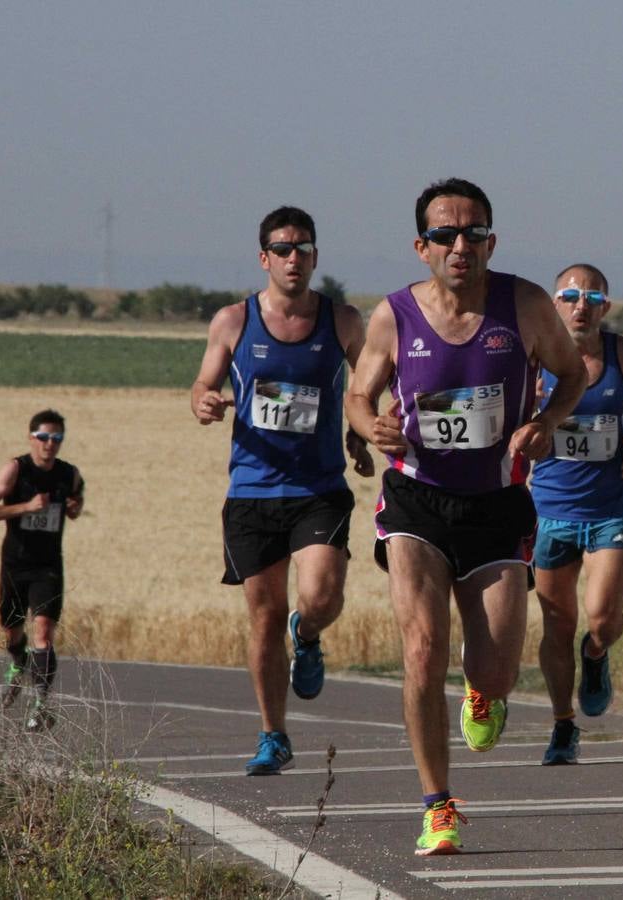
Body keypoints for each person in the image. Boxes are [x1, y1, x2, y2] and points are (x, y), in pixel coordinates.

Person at [344, 178, 585, 855]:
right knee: (422, 649)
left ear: (491, 242)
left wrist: (544, 424)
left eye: (473, 233)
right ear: (422, 247)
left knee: (497, 669)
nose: (460, 245)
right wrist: (372, 429)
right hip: (417, 499)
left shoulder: (528, 306)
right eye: (446, 235)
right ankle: (437, 805)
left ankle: (485, 694)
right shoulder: (394, 316)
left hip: (499, 502)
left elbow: (573, 376)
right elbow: (358, 396)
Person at [191, 205, 374, 776]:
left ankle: (310, 632)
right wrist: (203, 400)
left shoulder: (342, 321)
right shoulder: (233, 321)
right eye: (284, 248)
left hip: (318, 488)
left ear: (316, 256)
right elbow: (203, 382)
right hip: (251, 491)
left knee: (319, 597)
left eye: (305, 248)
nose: (295, 258)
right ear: (264, 257)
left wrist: (361, 433)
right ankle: (273, 734)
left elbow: (368, 385)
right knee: (263, 617)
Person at [530, 264, 623, 765]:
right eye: (571, 296)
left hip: (611, 506)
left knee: (602, 617)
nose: (581, 306)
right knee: (556, 624)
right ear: (555, 303)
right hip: (549, 510)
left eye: (592, 298)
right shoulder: (532, 361)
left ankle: (596, 654)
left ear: (605, 308)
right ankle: (562, 725)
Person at [0, 408, 85, 732]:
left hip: (48, 565)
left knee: (44, 632)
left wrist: (74, 507)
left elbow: (76, 503)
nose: (50, 444)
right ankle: (19, 662)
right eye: (44, 437)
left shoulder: (69, 474)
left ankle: (41, 703)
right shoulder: (16, 470)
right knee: (11, 630)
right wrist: (26, 507)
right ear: (31, 438)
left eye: (56, 438)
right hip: (15, 562)